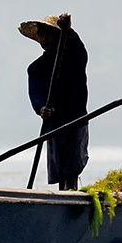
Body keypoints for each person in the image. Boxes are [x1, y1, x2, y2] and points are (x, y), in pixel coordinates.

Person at [19, 12, 88, 191]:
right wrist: (42, 108)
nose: (45, 38)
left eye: (50, 34)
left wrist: (68, 30)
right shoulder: (36, 68)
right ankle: (64, 197)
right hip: (54, 125)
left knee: (71, 170)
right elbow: (36, 94)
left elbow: (80, 52)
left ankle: (71, 198)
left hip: (75, 119)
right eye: (42, 34)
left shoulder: (73, 58)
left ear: (59, 36)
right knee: (59, 170)